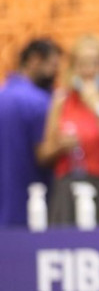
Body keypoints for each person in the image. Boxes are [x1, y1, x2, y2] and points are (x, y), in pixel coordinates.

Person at [39, 34, 99, 226]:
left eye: (94, 64)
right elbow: (44, 153)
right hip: (69, 188)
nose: (88, 71)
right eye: (81, 64)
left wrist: (98, 107)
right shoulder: (61, 100)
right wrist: (60, 145)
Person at [0, 38, 62, 228]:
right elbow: (44, 153)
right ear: (35, 60)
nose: (56, 74)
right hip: (29, 202)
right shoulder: (40, 102)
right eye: (52, 66)